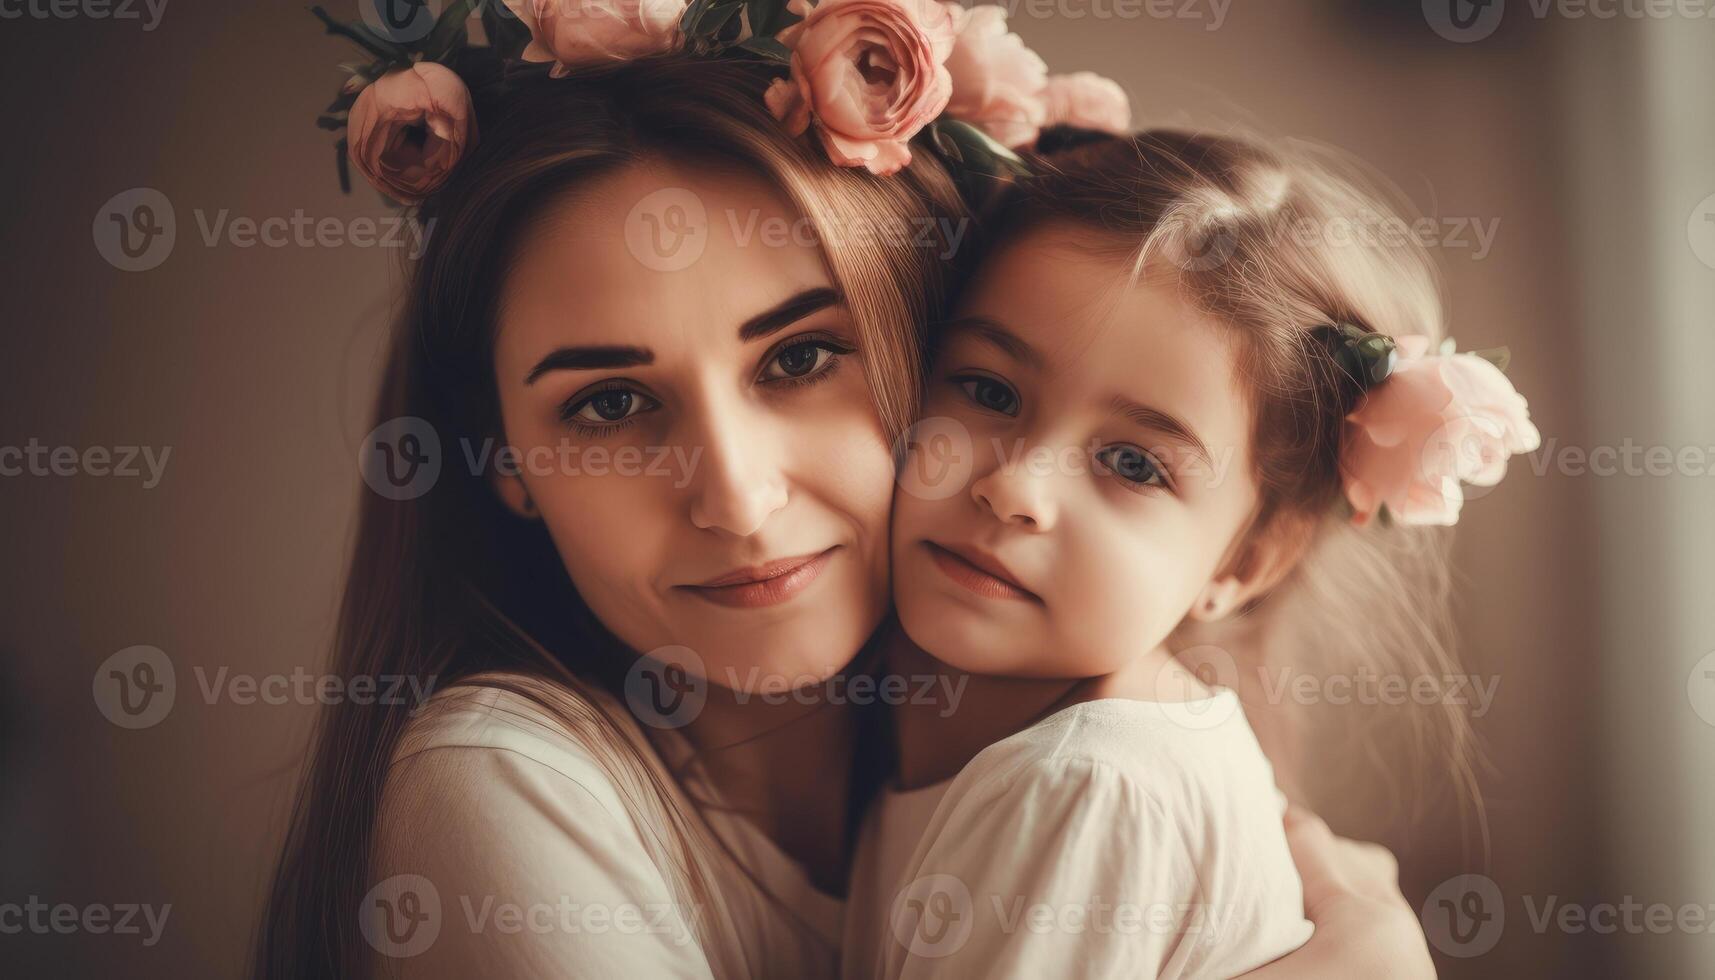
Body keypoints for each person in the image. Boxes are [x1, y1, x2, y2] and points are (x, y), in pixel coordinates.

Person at [255, 6, 1444, 977]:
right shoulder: (504, 784)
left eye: (798, 357)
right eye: (609, 404)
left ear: (908, 343)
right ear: (500, 456)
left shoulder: (1057, 779)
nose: (734, 494)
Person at [851, 128, 1537, 978]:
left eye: (1133, 464)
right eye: (989, 391)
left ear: (1243, 563)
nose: (1015, 486)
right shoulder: (990, 757)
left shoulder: (1085, 785)